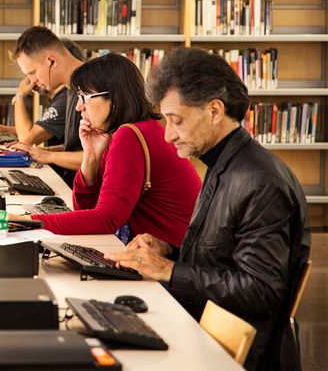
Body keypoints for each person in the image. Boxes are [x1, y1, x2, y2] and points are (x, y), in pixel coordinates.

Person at [106, 48, 310, 371]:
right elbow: (220, 258)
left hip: (232, 353)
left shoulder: (260, 181)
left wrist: (170, 271)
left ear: (215, 110)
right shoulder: (222, 163)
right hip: (202, 327)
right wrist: (168, 251)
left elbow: (261, 289)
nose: (168, 134)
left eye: (177, 120)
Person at [22, 53, 201, 244]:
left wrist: (28, 222)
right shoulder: (131, 130)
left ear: (114, 98)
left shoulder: (130, 135)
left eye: (85, 97)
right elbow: (86, 211)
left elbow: (105, 220)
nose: (78, 108)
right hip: (170, 249)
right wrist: (91, 155)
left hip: (174, 258)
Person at [0, 26, 84, 186]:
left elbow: (99, 155)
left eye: (33, 72)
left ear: (51, 61)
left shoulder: (89, 89)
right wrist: (40, 152)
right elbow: (78, 146)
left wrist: (20, 95)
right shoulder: (73, 89)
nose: (31, 81)